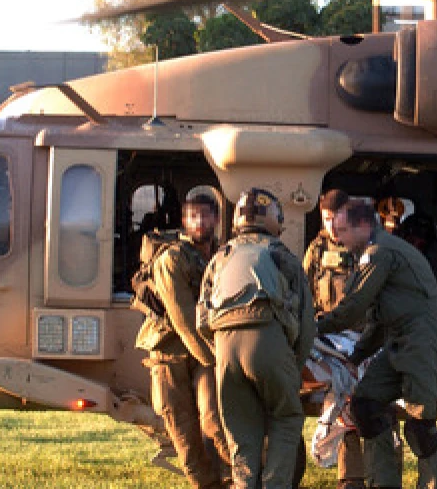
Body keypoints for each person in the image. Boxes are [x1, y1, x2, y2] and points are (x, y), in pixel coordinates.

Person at [316, 201, 437, 489]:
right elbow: (379, 318)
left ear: (363, 226)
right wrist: (358, 355)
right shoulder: (375, 252)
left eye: (342, 231)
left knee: (421, 426)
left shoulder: (380, 253)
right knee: (366, 405)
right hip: (399, 341)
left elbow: (355, 306)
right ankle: (384, 482)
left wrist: (314, 328)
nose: (338, 238)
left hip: (423, 343)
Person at [198, 188, 315, 488]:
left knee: (241, 434)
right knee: (286, 419)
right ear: (273, 219)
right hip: (268, 343)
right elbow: (305, 323)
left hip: (225, 347)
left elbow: (201, 319)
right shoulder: (281, 256)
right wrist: (293, 366)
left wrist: (221, 350)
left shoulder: (220, 257)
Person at [304, 189, 392, 489]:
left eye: (335, 219)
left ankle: (384, 476)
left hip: (369, 338)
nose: (330, 226)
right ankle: (351, 477)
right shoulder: (317, 249)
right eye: (325, 219)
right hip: (332, 341)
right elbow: (305, 292)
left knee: (377, 405)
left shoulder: (370, 247)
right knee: (343, 401)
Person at [144, 192, 231, 489]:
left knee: (216, 422)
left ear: (217, 219)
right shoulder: (172, 259)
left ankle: (239, 480)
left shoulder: (222, 256)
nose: (200, 222)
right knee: (184, 435)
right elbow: (181, 319)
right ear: (184, 221)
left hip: (206, 352)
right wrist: (215, 360)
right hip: (171, 355)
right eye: (193, 216)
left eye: (206, 215)